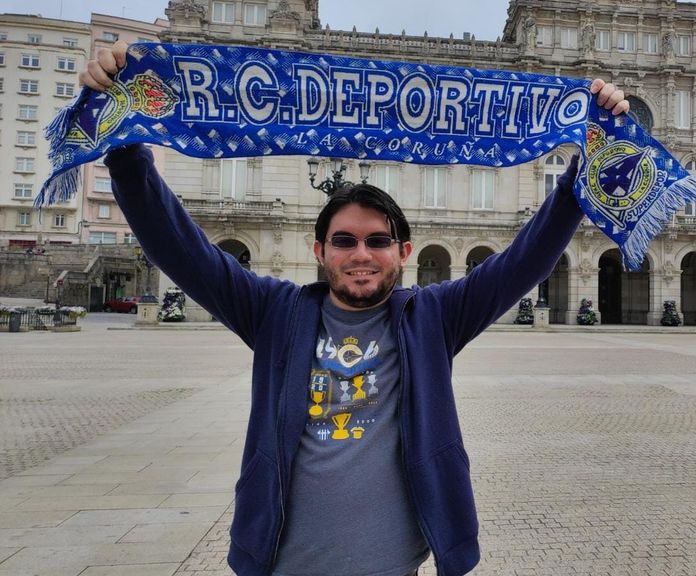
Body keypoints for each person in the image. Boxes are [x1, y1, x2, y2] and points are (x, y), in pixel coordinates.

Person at [81, 40, 629, 576]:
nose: (361, 254)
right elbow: (180, 247)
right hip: (281, 564)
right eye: (344, 241)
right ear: (319, 252)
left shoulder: (435, 317)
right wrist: (126, 149)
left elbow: (525, 260)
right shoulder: (274, 312)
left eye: (377, 241)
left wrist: (585, 165)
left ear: (403, 252)